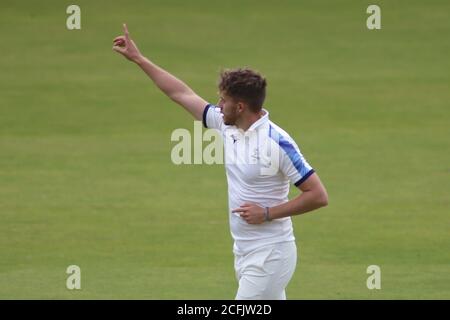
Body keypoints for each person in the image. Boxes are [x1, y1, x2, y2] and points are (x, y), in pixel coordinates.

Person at [113, 24, 328, 300]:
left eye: (223, 100)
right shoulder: (227, 124)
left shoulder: (276, 142)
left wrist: (266, 213)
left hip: (271, 254)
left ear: (239, 107)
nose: (218, 104)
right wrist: (139, 60)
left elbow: (318, 195)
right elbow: (181, 94)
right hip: (243, 251)